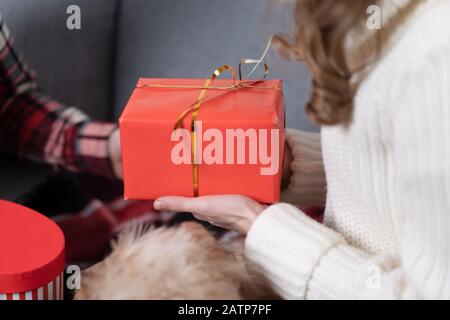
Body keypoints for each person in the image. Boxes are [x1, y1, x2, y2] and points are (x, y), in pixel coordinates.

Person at [154, 0, 450, 299]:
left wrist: (262, 230)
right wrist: (287, 166)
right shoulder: (370, 18)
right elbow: (402, 177)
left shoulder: (433, 54)